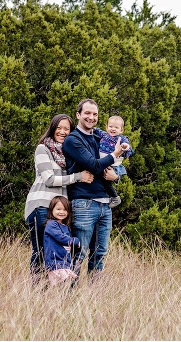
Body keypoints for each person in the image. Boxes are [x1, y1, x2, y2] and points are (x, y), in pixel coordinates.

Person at [23, 114, 93, 283]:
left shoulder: (69, 154)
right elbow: (49, 179)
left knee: (58, 251)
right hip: (41, 206)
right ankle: (36, 289)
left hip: (59, 210)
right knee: (40, 250)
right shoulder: (43, 149)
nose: (62, 132)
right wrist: (78, 177)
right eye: (59, 128)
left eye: (66, 129)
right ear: (52, 128)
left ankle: (54, 291)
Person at [62, 98, 123, 281]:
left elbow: (113, 165)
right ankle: (67, 296)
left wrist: (116, 177)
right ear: (78, 115)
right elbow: (94, 165)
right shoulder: (73, 140)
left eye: (95, 114)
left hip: (105, 205)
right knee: (78, 254)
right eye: (87, 113)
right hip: (84, 203)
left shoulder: (99, 137)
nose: (91, 117)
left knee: (100, 254)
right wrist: (115, 155)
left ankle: (94, 299)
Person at [93, 115, 134, 208]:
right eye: (111, 126)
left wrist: (125, 147)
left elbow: (128, 148)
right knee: (100, 179)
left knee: (106, 181)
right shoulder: (104, 135)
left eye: (116, 127)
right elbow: (97, 131)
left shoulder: (121, 139)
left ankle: (115, 197)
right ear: (107, 127)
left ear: (121, 130)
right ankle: (108, 196)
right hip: (102, 162)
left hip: (113, 165)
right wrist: (93, 129)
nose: (113, 129)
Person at [43, 196, 81, 286]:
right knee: (66, 285)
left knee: (72, 283)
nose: (61, 212)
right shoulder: (51, 224)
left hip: (65, 263)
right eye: (58, 209)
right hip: (55, 263)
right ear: (51, 210)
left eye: (65, 210)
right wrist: (75, 241)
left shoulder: (65, 227)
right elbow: (61, 238)